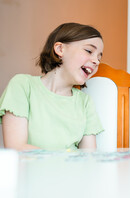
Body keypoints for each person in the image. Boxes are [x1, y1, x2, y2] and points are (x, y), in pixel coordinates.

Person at [0, 23, 104, 151]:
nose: (96, 61)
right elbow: (16, 146)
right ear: (60, 49)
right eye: (89, 51)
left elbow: (89, 155)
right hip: (34, 170)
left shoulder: (85, 102)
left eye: (99, 57)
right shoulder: (22, 85)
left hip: (73, 170)